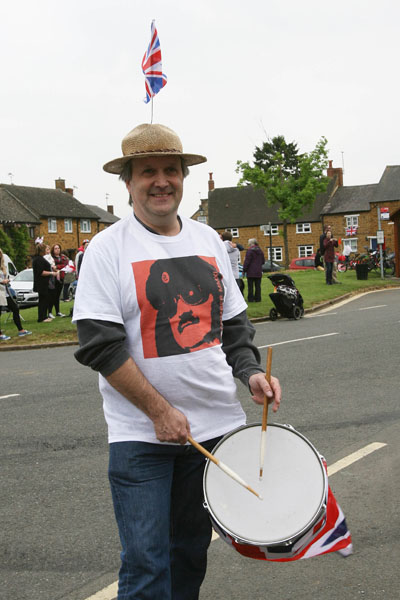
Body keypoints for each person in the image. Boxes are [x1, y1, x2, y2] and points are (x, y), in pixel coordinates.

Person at [72, 122, 281, 600]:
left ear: (184, 177)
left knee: (189, 553)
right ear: (128, 182)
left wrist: (250, 373)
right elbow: (99, 344)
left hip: (212, 432)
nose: (161, 180)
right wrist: (159, 412)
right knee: (147, 564)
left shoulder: (210, 241)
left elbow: (232, 327)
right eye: (148, 171)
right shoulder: (107, 250)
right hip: (141, 436)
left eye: (171, 169)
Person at [0, 248, 32, 339]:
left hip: (5, 292)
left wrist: (7, 280)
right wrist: (2, 281)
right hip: (0, 292)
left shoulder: (2, 266)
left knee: (15, 308)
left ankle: (21, 330)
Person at [32, 242, 56, 322]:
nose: (47, 250)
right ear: (42, 250)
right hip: (41, 283)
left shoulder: (39, 258)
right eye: (46, 249)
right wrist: (51, 273)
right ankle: (42, 317)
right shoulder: (39, 259)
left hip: (43, 283)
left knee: (44, 299)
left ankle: (44, 316)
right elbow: (41, 272)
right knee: (43, 300)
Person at [242, 238, 265, 302]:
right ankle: (258, 298)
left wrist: (244, 270)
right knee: (258, 286)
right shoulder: (260, 250)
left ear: (250, 243)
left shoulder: (249, 251)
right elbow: (263, 261)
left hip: (250, 271)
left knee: (250, 286)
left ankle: (251, 298)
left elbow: (247, 261)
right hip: (258, 271)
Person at [49, 243, 68, 317]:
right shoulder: (51, 258)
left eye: (58, 248)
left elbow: (65, 264)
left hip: (61, 277)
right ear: (53, 250)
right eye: (55, 248)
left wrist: (57, 266)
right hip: (53, 278)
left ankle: (58, 311)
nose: (57, 250)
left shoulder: (63, 257)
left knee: (57, 296)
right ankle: (50, 312)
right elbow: (51, 266)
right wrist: (56, 267)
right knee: (52, 295)